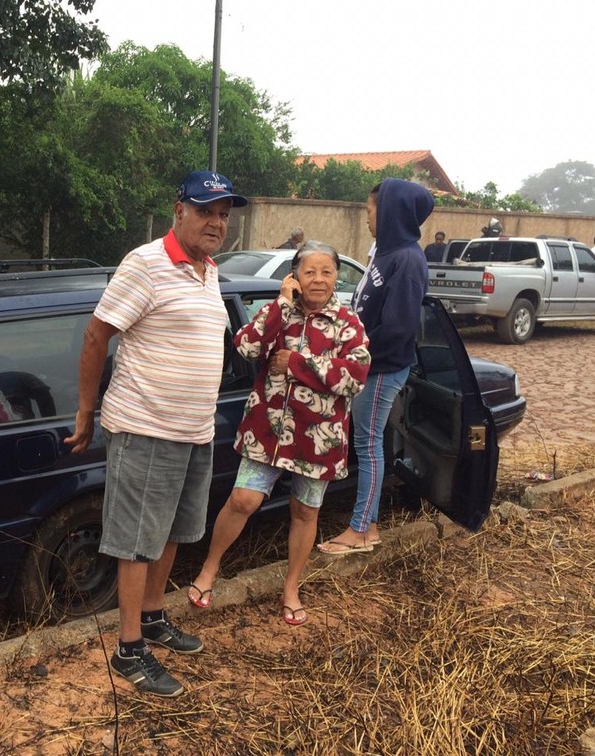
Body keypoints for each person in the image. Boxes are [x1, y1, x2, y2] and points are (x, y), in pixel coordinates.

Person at [65, 170, 247, 697]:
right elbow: (98, 333)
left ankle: (151, 618)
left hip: (194, 431)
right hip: (145, 426)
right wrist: (85, 409)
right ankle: (128, 651)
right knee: (136, 542)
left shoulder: (209, 270)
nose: (216, 222)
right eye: (205, 210)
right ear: (179, 211)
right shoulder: (145, 263)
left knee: (171, 533)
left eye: (223, 214)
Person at [187, 242, 370, 624]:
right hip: (268, 431)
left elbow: (354, 377)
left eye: (327, 272)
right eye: (309, 271)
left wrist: (297, 363)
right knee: (242, 500)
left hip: (319, 438)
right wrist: (281, 304)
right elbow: (246, 346)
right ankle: (209, 570)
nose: (318, 279)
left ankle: (291, 588)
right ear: (294, 276)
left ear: (336, 277)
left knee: (305, 511)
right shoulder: (279, 312)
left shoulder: (348, 322)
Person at [318, 178, 434, 555]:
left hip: (381, 368)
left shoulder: (408, 259)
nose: (366, 216)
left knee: (368, 446)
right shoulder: (384, 252)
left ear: (389, 211)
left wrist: (355, 356)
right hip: (367, 365)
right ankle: (367, 523)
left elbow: (399, 327)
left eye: (369, 209)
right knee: (368, 443)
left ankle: (362, 529)